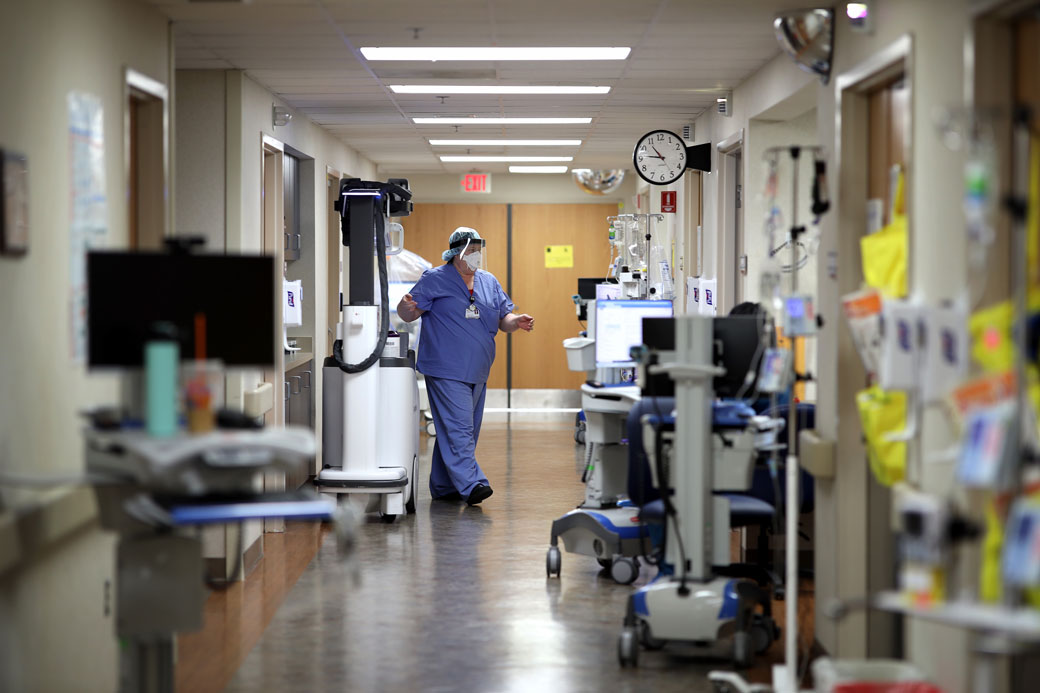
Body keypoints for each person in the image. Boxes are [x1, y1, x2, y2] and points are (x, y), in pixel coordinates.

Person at [397, 227, 534, 506]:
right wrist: (405, 306)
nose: (475, 256)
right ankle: (473, 485)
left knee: (460, 428)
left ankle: (443, 486)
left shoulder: (489, 281)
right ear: (455, 253)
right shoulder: (435, 279)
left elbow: (503, 317)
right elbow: (409, 313)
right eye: (470, 251)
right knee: (459, 428)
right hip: (445, 367)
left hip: (477, 369)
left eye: (478, 250)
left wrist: (516, 321)